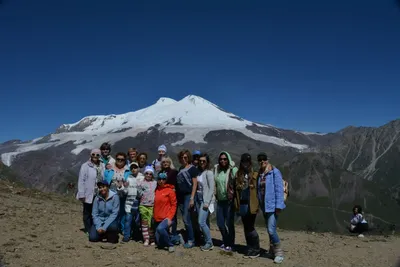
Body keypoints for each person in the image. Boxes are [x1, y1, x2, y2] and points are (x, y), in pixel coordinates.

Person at [257, 152, 285, 264]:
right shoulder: (260, 173)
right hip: (264, 205)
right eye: (260, 159)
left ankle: (279, 253)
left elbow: (279, 189)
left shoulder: (274, 172)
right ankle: (272, 251)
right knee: (270, 230)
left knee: (271, 229)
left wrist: (279, 206)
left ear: (267, 160)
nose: (262, 161)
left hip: (273, 206)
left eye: (264, 159)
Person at [234, 153, 260, 258]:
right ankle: (250, 247)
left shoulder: (254, 175)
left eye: (247, 162)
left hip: (251, 204)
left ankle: (256, 248)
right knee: (246, 227)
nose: (245, 164)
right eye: (244, 162)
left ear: (250, 162)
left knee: (250, 227)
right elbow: (236, 187)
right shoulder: (238, 175)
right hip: (242, 204)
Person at [76, 149, 105, 234]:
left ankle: (94, 227)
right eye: (93, 154)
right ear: (90, 155)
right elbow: (81, 180)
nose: (95, 156)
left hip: (99, 193)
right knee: (87, 211)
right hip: (88, 193)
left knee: (96, 211)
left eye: (97, 155)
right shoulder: (85, 166)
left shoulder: (102, 165)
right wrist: (81, 193)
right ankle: (88, 229)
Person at [214, 151, 238, 252]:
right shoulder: (216, 170)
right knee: (220, 223)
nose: (222, 161)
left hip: (229, 201)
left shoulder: (233, 170)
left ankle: (230, 243)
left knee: (229, 223)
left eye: (225, 159)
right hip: (220, 200)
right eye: (221, 159)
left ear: (228, 159)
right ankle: (225, 240)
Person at [176, 149, 199, 249]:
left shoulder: (192, 169)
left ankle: (191, 240)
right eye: (182, 157)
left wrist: (192, 198)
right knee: (186, 218)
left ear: (188, 158)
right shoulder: (180, 169)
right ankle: (191, 237)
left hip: (188, 195)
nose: (183, 159)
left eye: (185, 157)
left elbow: (195, 184)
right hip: (180, 196)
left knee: (186, 218)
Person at [104, 152, 131, 233]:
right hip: (111, 194)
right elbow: (105, 179)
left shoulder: (128, 170)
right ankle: (111, 227)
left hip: (123, 194)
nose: (120, 161)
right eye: (118, 159)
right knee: (111, 211)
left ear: (125, 160)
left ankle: (121, 228)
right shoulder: (110, 168)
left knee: (122, 212)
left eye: (122, 159)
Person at [153, 171, 177, 253]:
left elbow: (174, 205)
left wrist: (170, 217)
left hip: (166, 217)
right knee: (159, 243)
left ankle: (171, 245)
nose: (161, 181)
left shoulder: (170, 191)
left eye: (163, 179)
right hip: (157, 218)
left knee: (160, 229)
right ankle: (174, 238)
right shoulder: (156, 190)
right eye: (159, 179)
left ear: (166, 180)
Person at [89, 180, 120, 244]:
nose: (102, 189)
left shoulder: (115, 197)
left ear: (108, 187)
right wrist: (98, 227)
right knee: (92, 238)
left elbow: (114, 214)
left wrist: (104, 227)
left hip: (110, 221)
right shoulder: (97, 198)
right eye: (100, 187)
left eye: (104, 187)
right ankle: (102, 234)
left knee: (113, 228)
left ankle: (109, 235)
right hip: (99, 220)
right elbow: (94, 214)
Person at [121, 162, 145, 243]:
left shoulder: (142, 178)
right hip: (129, 203)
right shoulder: (128, 178)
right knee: (128, 220)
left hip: (139, 203)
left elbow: (142, 192)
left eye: (135, 167)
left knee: (138, 221)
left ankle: (137, 235)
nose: (133, 169)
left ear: (138, 168)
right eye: (132, 168)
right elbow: (125, 192)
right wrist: (124, 187)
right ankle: (126, 236)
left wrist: (138, 188)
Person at [158, 156, 180, 244]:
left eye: (167, 162)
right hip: (163, 196)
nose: (165, 163)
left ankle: (174, 234)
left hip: (172, 195)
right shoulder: (160, 172)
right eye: (163, 162)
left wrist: (175, 190)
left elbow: (178, 183)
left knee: (173, 215)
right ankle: (166, 233)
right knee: (165, 214)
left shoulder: (174, 172)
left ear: (170, 163)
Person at [196, 153, 215, 251]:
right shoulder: (200, 172)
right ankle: (206, 240)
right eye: (200, 161)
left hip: (205, 200)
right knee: (205, 222)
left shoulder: (209, 173)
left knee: (201, 222)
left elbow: (211, 188)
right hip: (199, 199)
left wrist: (207, 202)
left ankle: (209, 242)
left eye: (204, 161)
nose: (202, 162)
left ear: (207, 162)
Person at [137, 165, 157, 246]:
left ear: (152, 175)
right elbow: (138, 195)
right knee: (144, 223)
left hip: (152, 206)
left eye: (150, 174)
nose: (148, 175)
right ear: (144, 174)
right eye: (147, 173)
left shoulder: (155, 183)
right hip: (143, 205)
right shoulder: (141, 183)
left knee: (151, 223)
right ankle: (146, 239)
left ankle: (152, 239)